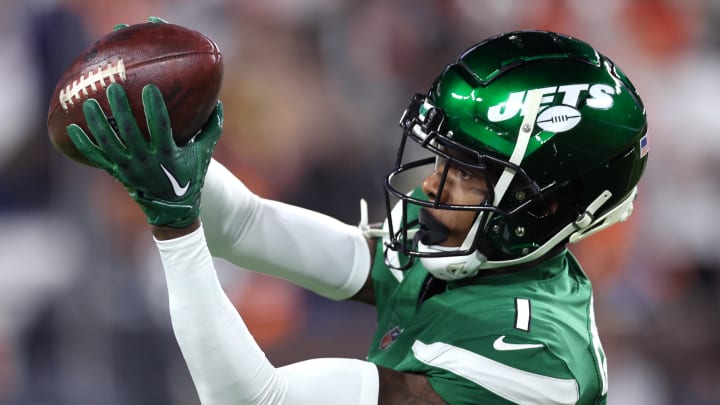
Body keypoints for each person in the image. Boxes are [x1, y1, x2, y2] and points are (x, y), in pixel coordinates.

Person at [65, 27, 648, 405]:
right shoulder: (478, 245)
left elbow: (253, 400)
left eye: (467, 170)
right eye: (443, 157)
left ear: (542, 205)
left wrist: (174, 223)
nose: (435, 183)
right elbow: (246, 225)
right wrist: (165, 142)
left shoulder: (538, 362)